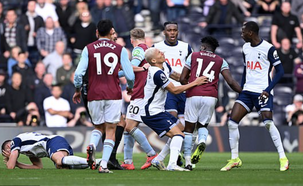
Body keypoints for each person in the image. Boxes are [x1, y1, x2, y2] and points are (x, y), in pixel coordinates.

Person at [220, 21, 289, 172]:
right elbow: (246, 69)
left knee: (268, 123)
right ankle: (235, 158)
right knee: (232, 122)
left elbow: (280, 71)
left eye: (243, 31)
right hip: (247, 91)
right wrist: (242, 88)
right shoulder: (245, 48)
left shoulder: (268, 48)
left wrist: (268, 89)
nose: (241, 34)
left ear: (251, 33)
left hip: (262, 92)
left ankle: (283, 158)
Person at [73, 19, 135, 173]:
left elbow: (78, 74)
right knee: (111, 130)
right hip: (113, 94)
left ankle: (92, 145)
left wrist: (77, 89)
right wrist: (130, 87)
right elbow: (130, 75)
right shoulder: (119, 49)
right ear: (111, 32)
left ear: (97, 32)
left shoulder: (88, 49)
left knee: (98, 126)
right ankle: (104, 165)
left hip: (94, 93)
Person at [179, 36, 242, 170]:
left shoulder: (193, 56)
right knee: (202, 125)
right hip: (210, 96)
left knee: (189, 129)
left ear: (203, 47)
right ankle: (202, 141)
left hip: (193, 95)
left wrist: (190, 86)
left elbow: (182, 78)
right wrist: (243, 92)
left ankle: (188, 162)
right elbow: (230, 81)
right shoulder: (221, 61)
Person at [140, 47, 207, 171]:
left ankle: (159, 159)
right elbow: (174, 90)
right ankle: (172, 164)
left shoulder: (164, 65)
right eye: (159, 53)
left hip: (158, 110)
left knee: (180, 130)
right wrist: (195, 83)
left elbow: (176, 76)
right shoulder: (156, 73)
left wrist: (192, 78)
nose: (163, 53)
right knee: (178, 135)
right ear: (154, 60)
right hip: (152, 112)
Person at [120, 28, 157, 170]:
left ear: (131, 39)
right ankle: (128, 161)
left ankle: (151, 154)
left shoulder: (137, 50)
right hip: (141, 91)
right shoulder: (148, 49)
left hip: (140, 93)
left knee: (129, 127)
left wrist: (113, 74)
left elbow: (131, 67)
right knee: (127, 128)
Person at [153, 21, 193, 122]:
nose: (172, 33)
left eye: (174, 30)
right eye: (169, 30)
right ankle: (175, 135)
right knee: (172, 116)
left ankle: (181, 137)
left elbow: (193, 66)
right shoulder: (156, 47)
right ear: (164, 32)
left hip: (183, 88)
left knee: (186, 122)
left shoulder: (186, 47)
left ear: (178, 32)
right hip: (167, 89)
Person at [1, 132, 89, 169]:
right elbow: (38, 167)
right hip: (55, 142)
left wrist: (11, 160)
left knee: (59, 161)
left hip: (52, 141)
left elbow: (10, 167)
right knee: (63, 167)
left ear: (9, 146)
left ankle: (89, 161)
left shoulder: (15, 141)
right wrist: (17, 164)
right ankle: (97, 162)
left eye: (6, 152)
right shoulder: (27, 149)